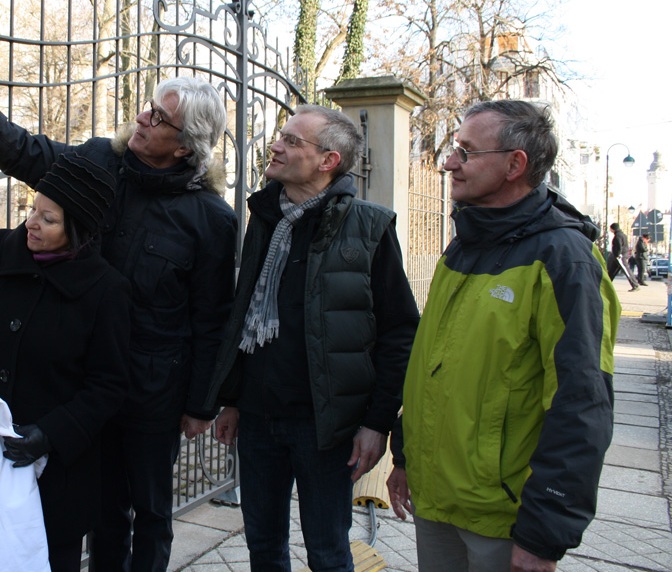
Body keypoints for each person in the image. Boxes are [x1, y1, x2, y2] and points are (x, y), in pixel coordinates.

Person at [0, 52, 237, 572]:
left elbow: (212, 317)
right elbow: (21, 150)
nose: (142, 118)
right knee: (98, 510)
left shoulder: (211, 219)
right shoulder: (99, 161)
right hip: (80, 385)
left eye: (159, 119)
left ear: (187, 145)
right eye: (148, 108)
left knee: (148, 511)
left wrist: (202, 404)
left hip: (149, 391)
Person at [387, 100, 620, 572]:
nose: (449, 161)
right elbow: (434, 364)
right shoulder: (464, 244)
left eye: (466, 152)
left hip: (503, 519)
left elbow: (581, 402)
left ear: (516, 165)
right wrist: (406, 456)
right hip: (436, 499)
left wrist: (544, 532)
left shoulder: (564, 260)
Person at [204, 105, 419, 571]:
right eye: (280, 136)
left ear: (329, 160)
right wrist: (234, 399)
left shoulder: (369, 226)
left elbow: (400, 332)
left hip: (327, 426)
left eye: (292, 141)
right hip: (259, 418)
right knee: (262, 547)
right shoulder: (265, 219)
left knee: (327, 551)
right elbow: (246, 314)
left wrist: (377, 422)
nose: (275, 146)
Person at [0, 152, 131, 572]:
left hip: (54, 478)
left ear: (78, 230)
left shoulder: (106, 290)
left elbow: (108, 385)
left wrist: (50, 434)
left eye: (49, 218)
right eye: (32, 208)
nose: (31, 223)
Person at [607, 222, 640, 291]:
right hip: (619, 256)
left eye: (611, 229)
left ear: (613, 229)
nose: (610, 230)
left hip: (620, 256)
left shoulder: (618, 236)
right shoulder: (622, 235)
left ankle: (635, 285)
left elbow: (619, 246)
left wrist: (618, 254)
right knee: (611, 271)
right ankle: (606, 285)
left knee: (626, 270)